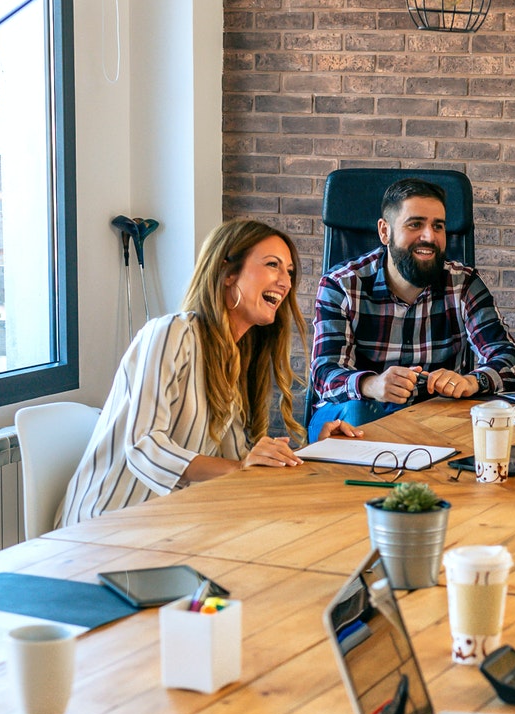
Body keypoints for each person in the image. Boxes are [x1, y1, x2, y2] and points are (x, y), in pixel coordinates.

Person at [61, 219, 354, 525]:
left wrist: (313, 451)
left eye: (289, 272)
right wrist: (240, 467)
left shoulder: (235, 357)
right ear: (228, 273)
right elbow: (143, 445)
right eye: (272, 265)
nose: (286, 282)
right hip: (106, 529)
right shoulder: (171, 333)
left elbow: (237, 458)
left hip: (172, 527)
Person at [307, 176, 515, 440]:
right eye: (415, 224)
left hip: (432, 417)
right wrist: (372, 384)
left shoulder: (464, 283)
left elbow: (512, 359)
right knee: (358, 415)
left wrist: (471, 381)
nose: (429, 237)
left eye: (438, 226)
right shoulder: (341, 285)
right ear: (384, 231)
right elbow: (324, 374)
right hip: (358, 413)